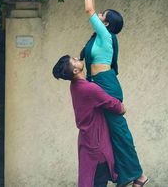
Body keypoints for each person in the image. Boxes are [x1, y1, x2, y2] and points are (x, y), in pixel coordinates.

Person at [80, 0, 149, 187]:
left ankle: (138, 175)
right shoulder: (102, 36)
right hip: (100, 85)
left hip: (107, 87)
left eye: (103, 16)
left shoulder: (105, 36)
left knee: (119, 132)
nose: (99, 15)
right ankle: (120, 175)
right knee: (106, 133)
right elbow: (95, 9)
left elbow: (89, 9)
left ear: (107, 24)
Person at [52, 55, 126, 187]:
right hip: (96, 146)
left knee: (90, 181)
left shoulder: (75, 86)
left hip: (87, 141)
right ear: (75, 71)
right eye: (74, 60)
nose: (76, 58)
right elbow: (118, 107)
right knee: (97, 182)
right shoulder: (89, 89)